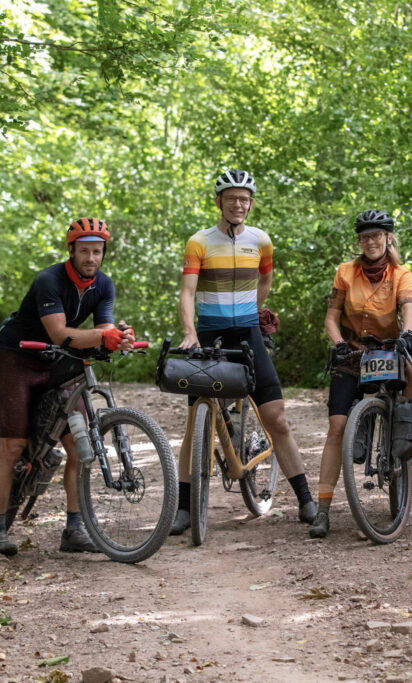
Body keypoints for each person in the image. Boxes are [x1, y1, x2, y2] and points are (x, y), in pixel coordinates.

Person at [171, 169, 317, 532]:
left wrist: (253, 309)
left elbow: (265, 278)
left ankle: (306, 500)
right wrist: (190, 332)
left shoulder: (261, 241)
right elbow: (187, 292)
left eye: (245, 199)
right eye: (232, 198)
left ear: (251, 203)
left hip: (248, 335)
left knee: (277, 417)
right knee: (194, 424)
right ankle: (185, 509)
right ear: (219, 201)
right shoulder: (199, 242)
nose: (239, 204)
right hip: (210, 336)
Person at [0, 218, 136, 556]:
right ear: (71, 251)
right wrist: (102, 336)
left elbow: (102, 330)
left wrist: (117, 339)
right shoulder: (49, 280)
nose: (91, 258)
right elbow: (58, 333)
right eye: (84, 251)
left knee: (78, 450)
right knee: (12, 446)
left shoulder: (104, 285)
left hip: (59, 362)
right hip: (20, 359)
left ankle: (74, 529)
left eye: (97, 252)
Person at [308, 209, 412, 539]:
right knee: (337, 426)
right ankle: (323, 509)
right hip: (353, 351)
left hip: (389, 348)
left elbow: (408, 308)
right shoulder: (345, 272)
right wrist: (339, 343)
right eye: (364, 237)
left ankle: (409, 432)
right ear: (359, 242)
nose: (370, 242)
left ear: (388, 238)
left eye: (376, 235)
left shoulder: (402, 273)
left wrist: (409, 333)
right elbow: (331, 317)